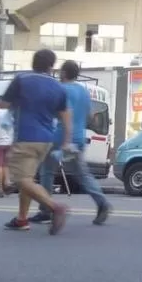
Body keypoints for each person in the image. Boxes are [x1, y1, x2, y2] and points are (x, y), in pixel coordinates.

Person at [31, 60, 112, 225]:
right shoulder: (83, 91)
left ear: (63, 73)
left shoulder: (61, 89)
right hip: (79, 138)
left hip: (60, 137)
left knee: (46, 172)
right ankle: (102, 202)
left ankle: (46, 209)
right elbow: (90, 116)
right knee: (83, 175)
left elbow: (57, 113)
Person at [2, 49, 73, 234]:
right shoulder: (59, 87)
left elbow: (4, 103)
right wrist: (66, 142)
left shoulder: (22, 79)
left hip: (26, 136)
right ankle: (22, 219)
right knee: (28, 179)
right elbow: (66, 117)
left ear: (34, 62)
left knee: (20, 179)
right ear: (51, 66)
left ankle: (55, 207)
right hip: (46, 140)